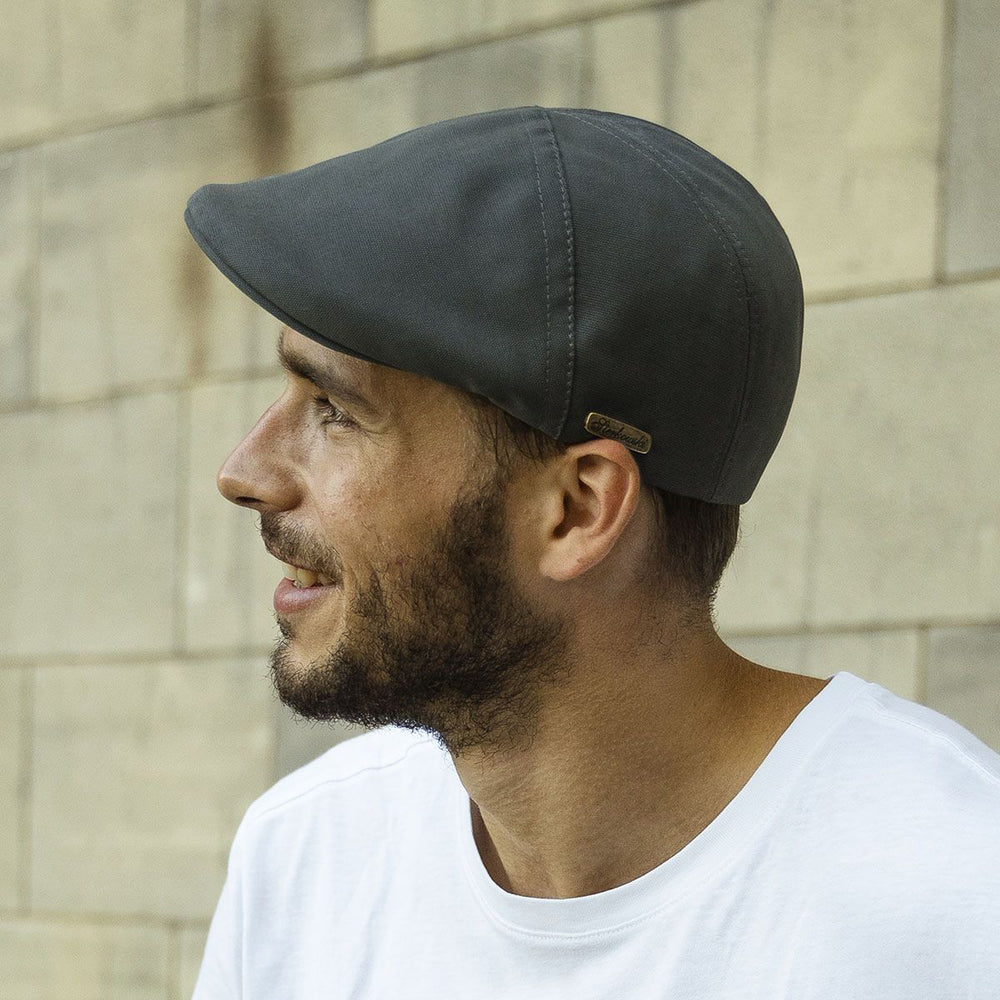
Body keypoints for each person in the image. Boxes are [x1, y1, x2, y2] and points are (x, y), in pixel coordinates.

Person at [184, 107, 999, 998]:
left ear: (576, 510)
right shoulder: (304, 861)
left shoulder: (958, 897)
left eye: (335, 409)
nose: (244, 471)